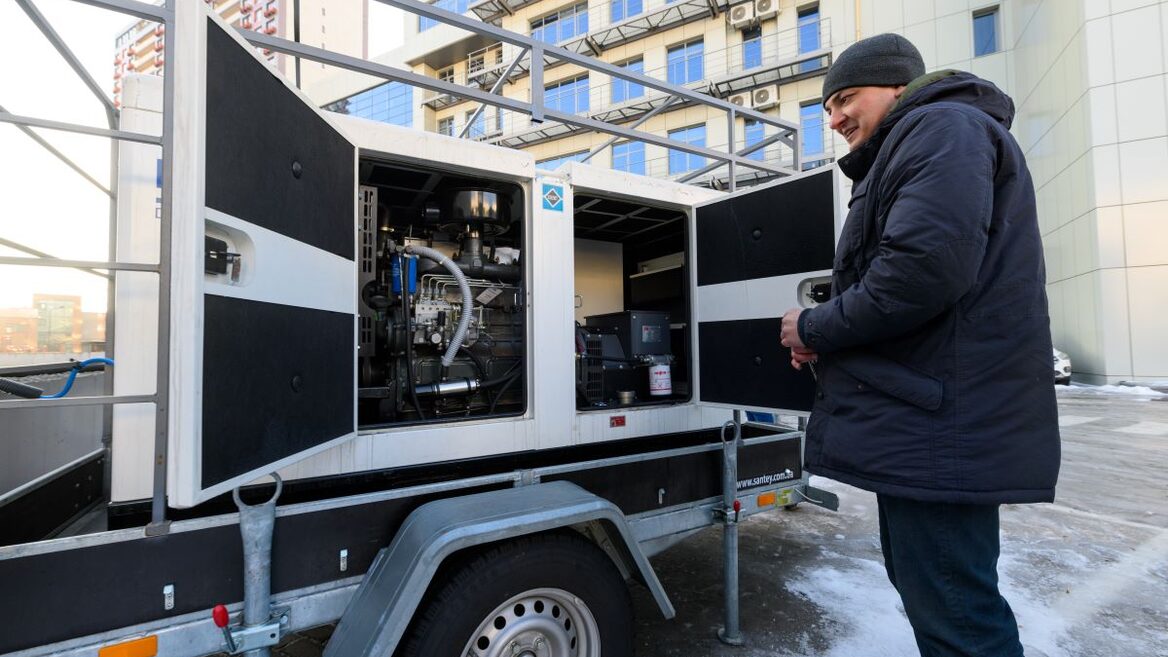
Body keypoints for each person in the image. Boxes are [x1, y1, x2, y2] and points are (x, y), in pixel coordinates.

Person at [778, 33, 1061, 656]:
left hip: (939, 429)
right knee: (939, 598)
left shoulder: (941, 127)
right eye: (826, 108)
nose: (834, 119)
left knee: (957, 616)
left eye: (846, 99)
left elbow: (920, 272)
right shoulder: (928, 136)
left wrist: (814, 326)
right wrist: (832, 342)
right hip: (928, 423)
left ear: (898, 86)